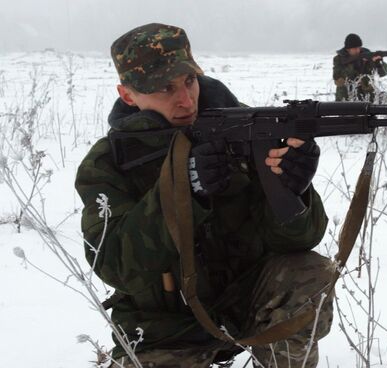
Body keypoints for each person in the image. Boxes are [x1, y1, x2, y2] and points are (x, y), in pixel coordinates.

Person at [75, 23, 333, 368]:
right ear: (128, 96)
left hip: (245, 301)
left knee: (309, 271)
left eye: (189, 82)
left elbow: (299, 241)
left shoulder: (246, 130)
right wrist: (184, 190)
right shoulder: (108, 163)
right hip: (165, 327)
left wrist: (293, 192)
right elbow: (116, 267)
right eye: (165, 88)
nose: (185, 100)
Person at [332, 33, 387, 103]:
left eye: (359, 48)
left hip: (367, 97)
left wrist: (377, 63)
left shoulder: (367, 56)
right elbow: (337, 76)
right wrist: (355, 64)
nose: (357, 50)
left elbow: (384, 73)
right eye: (355, 48)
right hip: (346, 98)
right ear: (348, 49)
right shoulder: (339, 59)